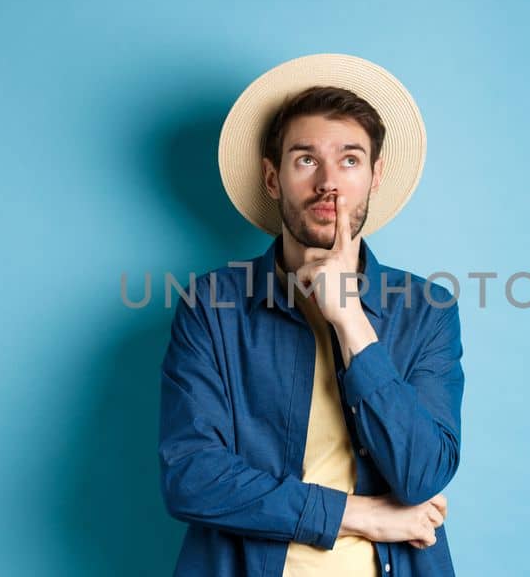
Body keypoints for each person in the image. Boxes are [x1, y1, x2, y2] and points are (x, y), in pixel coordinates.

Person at [158, 54, 464, 576]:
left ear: (374, 177)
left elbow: (422, 475)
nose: (329, 183)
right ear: (273, 178)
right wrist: (363, 514)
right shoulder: (211, 306)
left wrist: (350, 320)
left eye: (349, 160)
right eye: (306, 159)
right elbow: (191, 476)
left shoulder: (426, 311)